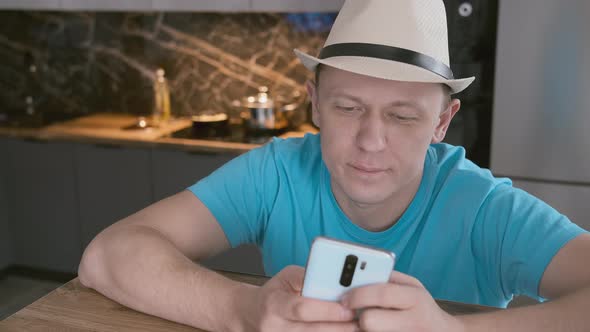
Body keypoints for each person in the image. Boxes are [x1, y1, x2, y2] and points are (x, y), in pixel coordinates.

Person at [78, 0, 590, 331]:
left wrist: (453, 331)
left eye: (404, 115)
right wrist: (244, 309)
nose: (370, 141)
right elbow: (106, 257)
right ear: (315, 104)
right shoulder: (275, 172)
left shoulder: (484, 208)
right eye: (347, 107)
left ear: (442, 122)